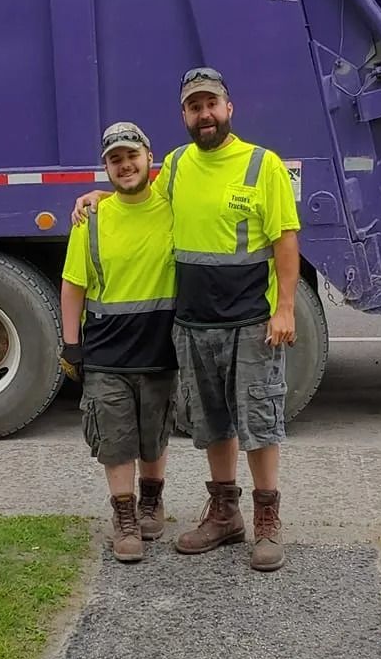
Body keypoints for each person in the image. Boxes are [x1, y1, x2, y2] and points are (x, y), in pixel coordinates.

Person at [72, 68, 300, 572]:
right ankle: (225, 514)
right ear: (184, 116)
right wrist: (99, 199)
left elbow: (285, 239)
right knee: (213, 423)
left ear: (228, 108)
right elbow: (141, 203)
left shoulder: (263, 165)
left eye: (211, 105)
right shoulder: (174, 166)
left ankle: (266, 521)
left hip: (252, 322)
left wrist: (285, 308)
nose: (204, 115)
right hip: (195, 324)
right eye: (194, 107)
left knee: (259, 422)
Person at [60, 121, 179, 563]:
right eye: (115, 159)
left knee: (155, 432)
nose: (125, 165)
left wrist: (102, 194)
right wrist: (71, 345)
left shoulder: (171, 205)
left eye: (132, 155)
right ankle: (125, 516)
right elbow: (73, 286)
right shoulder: (89, 221)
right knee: (114, 437)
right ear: (105, 167)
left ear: (150, 158)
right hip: (108, 351)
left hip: (159, 346)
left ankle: (153, 501)